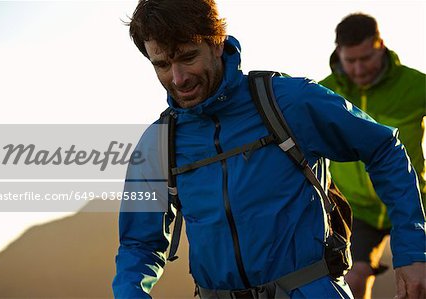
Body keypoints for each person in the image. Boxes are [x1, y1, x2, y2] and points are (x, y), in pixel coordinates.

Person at [112, 1, 426, 298]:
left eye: (188, 57)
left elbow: (385, 148)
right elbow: (140, 241)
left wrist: (413, 252)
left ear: (217, 42)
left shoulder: (288, 101)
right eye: (162, 64)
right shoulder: (158, 143)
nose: (178, 78)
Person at [319, 13, 426, 299]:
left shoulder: (416, 85)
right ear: (338, 53)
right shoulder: (323, 92)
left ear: (381, 46)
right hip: (357, 209)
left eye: (365, 58)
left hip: (413, 201)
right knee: (351, 277)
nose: (357, 68)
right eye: (349, 60)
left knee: (418, 282)